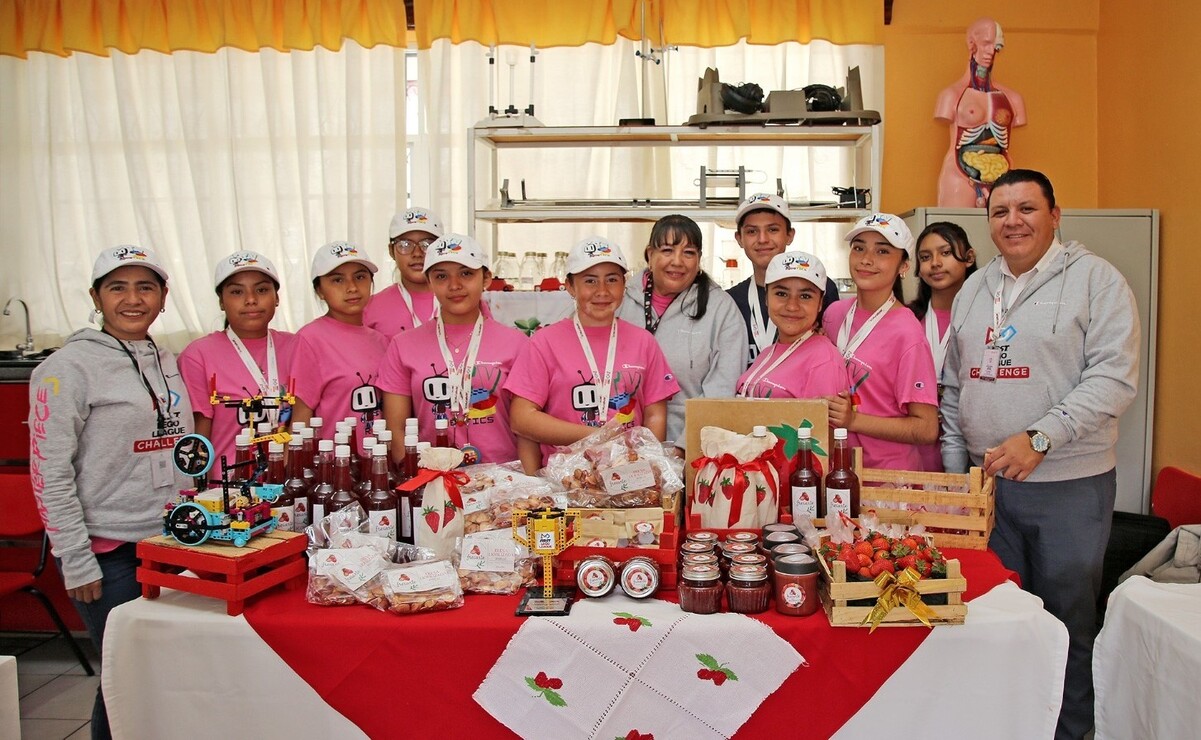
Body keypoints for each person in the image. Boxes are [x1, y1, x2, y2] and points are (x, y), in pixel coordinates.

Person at [941, 169, 1139, 740]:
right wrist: (960, 473)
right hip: (990, 491)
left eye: (1027, 208)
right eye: (1000, 211)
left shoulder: (1097, 282)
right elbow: (956, 385)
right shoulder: (976, 287)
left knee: (1066, 626)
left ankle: (1070, 733)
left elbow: (1113, 379)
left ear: (1056, 214)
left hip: (1068, 488)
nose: (1013, 221)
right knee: (999, 623)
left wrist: (1042, 437)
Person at [29, 246, 192, 739]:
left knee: (164, 672)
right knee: (126, 674)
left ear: (164, 297)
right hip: (107, 550)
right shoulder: (66, 368)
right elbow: (48, 472)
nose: (133, 299)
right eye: (117, 287)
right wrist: (75, 558)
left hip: (169, 541)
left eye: (145, 287)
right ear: (96, 297)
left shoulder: (166, 360)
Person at [506, 237, 680, 472]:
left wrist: (646, 466)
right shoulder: (544, 343)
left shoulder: (644, 342)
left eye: (612, 280)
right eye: (590, 281)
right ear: (569, 286)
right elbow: (522, 418)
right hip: (564, 478)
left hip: (626, 475)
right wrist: (597, 436)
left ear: (624, 284)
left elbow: (655, 415)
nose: (602, 291)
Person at [378, 233, 533, 464]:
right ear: (429, 282)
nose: (455, 285)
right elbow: (397, 432)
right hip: (431, 480)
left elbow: (525, 430)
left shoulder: (517, 344)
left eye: (466, 274)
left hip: (503, 480)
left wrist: (526, 484)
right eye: (441, 276)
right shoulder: (403, 345)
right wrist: (417, 480)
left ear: (486, 278)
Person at [821, 213, 939, 470]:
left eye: (882, 251)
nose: (866, 259)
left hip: (885, 479)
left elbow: (926, 428)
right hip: (835, 468)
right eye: (859, 248)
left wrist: (853, 420)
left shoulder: (907, 333)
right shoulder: (833, 315)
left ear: (904, 266)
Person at [617, 214, 745, 449]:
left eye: (688, 253)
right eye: (667, 250)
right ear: (649, 255)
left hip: (690, 446)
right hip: (616, 443)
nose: (677, 261)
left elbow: (721, 392)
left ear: (698, 262)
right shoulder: (619, 300)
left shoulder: (721, 309)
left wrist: (682, 450)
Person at [178, 251, 296, 463]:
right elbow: (198, 439)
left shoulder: (296, 346)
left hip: (289, 483)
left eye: (261, 289)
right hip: (228, 486)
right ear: (221, 302)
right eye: (236, 292)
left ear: (277, 298)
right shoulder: (197, 355)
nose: (251, 300)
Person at [726, 193, 840, 366]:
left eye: (773, 230)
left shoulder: (820, 288)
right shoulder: (730, 300)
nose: (762, 239)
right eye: (752, 231)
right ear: (739, 239)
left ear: (789, 235)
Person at [291, 241, 389, 439]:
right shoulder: (309, 339)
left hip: (378, 461)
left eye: (360, 277)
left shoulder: (381, 341)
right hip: (335, 463)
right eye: (337, 280)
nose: (352, 287)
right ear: (320, 290)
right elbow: (301, 417)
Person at [935, 18, 1027, 207]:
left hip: (1003, 174)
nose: (991, 51)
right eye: (986, 43)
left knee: (1007, 231)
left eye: (997, 46)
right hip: (959, 174)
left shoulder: (1012, 99)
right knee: (953, 233)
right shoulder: (951, 95)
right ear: (972, 43)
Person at [908, 223, 977, 471]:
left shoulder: (984, 318)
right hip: (918, 446)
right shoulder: (907, 319)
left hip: (969, 445)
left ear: (969, 257)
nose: (935, 263)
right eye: (925, 257)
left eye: (945, 253)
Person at [736, 251, 848, 399]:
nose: (792, 306)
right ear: (766, 298)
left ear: (820, 303)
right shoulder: (767, 353)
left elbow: (820, 422)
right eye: (781, 294)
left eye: (805, 296)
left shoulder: (823, 361)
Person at [363, 207, 443, 337]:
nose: (417, 253)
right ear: (391, 251)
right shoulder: (371, 308)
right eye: (405, 245)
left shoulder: (460, 300)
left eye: (427, 244)